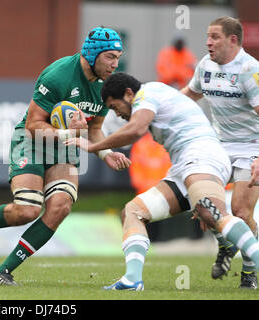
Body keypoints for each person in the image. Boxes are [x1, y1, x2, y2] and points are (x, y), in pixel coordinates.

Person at [0, 27, 131, 285]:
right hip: (32, 142)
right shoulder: (59, 75)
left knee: (60, 207)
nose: (115, 63)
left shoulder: (105, 86)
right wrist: (65, 134)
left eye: (118, 56)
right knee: (27, 211)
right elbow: (33, 124)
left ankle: (3, 272)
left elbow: (94, 128)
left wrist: (105, 153)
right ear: (93, 54)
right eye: (110, 56)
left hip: (65, 147)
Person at [65, 72, 259, 291]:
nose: (117, 114)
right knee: (132, 212)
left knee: (209, 210)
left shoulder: (147, 93)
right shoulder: (152, 97)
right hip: (183, 168)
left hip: (203, 156)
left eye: (114, 106)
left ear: (129, 94)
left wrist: (92, 146)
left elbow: (135, 130)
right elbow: (127, 128)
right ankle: (132, 280)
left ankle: (240, 252)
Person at [181, 16, 259, 288]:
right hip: (218, 146)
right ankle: (226, 244)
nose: (208, 42)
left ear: (233, 40)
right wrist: (158, 110)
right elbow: (188, 96)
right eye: (208, 36)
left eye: (214, 37)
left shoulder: (250, 70)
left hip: (252, 146)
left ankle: (249, 271)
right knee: (204, 206)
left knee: (240, 211)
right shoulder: (205, 65)